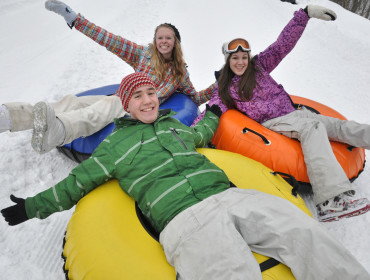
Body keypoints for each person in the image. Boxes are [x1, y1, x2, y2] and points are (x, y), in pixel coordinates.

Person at [2, 72, 370, 280]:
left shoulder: (176, 129)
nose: (148, 100)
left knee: (303, 231)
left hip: (231, 196)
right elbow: (76, 184)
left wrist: (218, 109)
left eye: (152, 94)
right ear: (126, 105)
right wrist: (32, 206)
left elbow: (206, 128)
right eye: (139, 96)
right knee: (229, 272)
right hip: (184, 219)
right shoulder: (114, 146)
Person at [192, 5, 370, 222]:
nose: (240, 62)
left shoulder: (259, 66)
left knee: (340, 127)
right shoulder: (226, 88)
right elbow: (209, 114)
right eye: (235, 58)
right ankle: (330, 202)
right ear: (228, 61)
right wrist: (189, 135)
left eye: (243, 57)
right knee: (312, 128)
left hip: (295, 112)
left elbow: (282, 45)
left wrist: (304, 14)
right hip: (275, 123)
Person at [0, 0, 216, 154]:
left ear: (176, 42)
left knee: (97, 112)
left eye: (168, 37)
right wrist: (76, 20)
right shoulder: (144, 54)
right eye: (159, 37)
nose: (163, 41)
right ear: (155, 40)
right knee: (73, 103)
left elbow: (195, 98)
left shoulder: (180, 73)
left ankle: (59, 131)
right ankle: (10, 116)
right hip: (120, 98)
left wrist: (219, 84)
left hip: (137, 107)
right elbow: (110, 40)